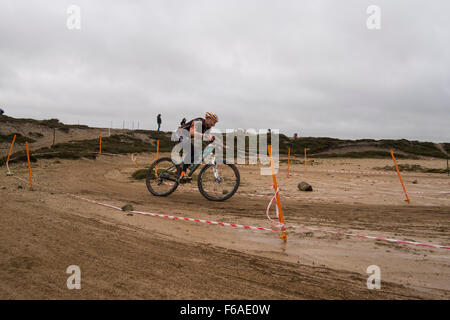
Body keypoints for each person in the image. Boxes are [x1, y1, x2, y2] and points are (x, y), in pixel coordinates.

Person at [178, 112, 218, 181]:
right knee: (191, 150)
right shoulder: (199, 121)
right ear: (208, 119)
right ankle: (183, 174)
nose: (214, 125)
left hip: (189, 137)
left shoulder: (208, 127)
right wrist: (204, 135)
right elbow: (191, 132)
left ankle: (183, 167)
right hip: (181, 134)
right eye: (214, 122)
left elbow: (208, 138)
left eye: (215, 123)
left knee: (197, 153)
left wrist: (217, 143)